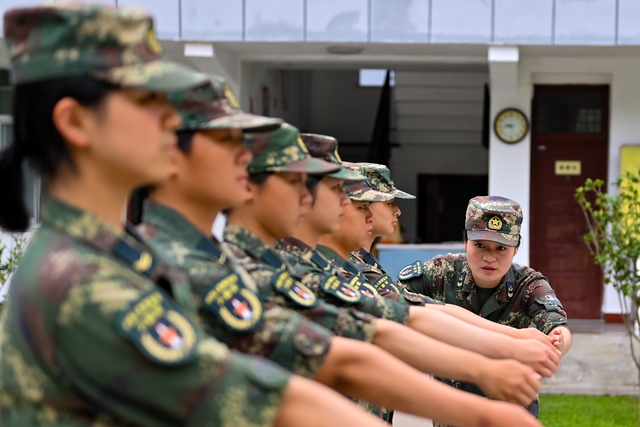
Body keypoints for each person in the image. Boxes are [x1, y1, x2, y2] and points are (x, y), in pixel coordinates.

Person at [0, 5, 388, 427]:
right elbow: (252, 396)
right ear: (75, 121)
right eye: (146, 99)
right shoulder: (76, 281)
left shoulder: (127, 253)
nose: (171, 120)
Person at [136, 88, 545, 425]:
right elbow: (335, 362)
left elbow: (394, 320)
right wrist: (484, 392)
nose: (321, 197)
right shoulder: (182, 265)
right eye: (300, 180)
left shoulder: (273, 265)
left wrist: (498, 357)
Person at [397, 195, 573, 422]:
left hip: (510, 413)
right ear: (465, 241)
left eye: (501, 248)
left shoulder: (528, 284)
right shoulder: (439, 273)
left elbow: (556, 323)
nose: (489, 257)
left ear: (516, 248)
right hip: (452, 413)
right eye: (480, 245)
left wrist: (559, 339)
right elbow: (390, 299)